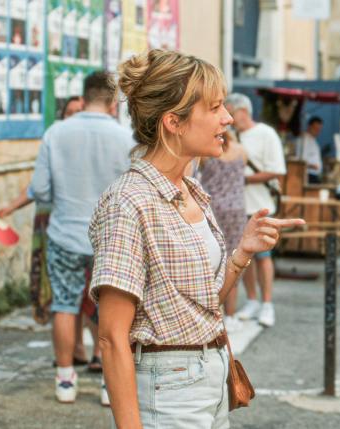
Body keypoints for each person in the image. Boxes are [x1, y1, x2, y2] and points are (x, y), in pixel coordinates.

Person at [91, 49, 305, 428]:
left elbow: (202, 303)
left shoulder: (192, 191)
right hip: (169, 388)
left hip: (211, 378)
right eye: (215, 107)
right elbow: (110, 337)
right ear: (173, 121)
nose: (227, 118)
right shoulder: (129, 201)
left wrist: (242, 253)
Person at [0, 71, 135, 405]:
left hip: (64, 234)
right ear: (113, 103)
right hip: (111, 239)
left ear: (83, 98)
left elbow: (41, 189)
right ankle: (109, 385)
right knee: (110, 310)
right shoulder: (126, 138)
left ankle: (65, 380)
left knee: (64, 304)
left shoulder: (56, 133)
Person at [225, 92, 287, 327]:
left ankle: (267, 303)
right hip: (237, 205)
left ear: (242, 111)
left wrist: (243, 180)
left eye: (231, 112)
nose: (228, 118)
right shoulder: (232, 135)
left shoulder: (266, 134)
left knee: (263, 256)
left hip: (260, 204)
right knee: (243, 256)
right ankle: (252, 300)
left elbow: (276, 170)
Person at [195, 129, 248, 330]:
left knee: (212, 261)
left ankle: (213, 313)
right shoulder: (241, 151)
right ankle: (231, 315)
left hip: (213, 209)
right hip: (237, 210)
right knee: (234, 261)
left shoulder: (206, 153)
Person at [300, 116, 323, 183]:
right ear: (309, 127)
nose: (318, 131)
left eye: (319, 129)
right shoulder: (305, 140)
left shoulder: (313, 140)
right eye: (316, 128)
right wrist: (313, 166)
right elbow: (302, 160)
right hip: (308, 175)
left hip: (314, 174)